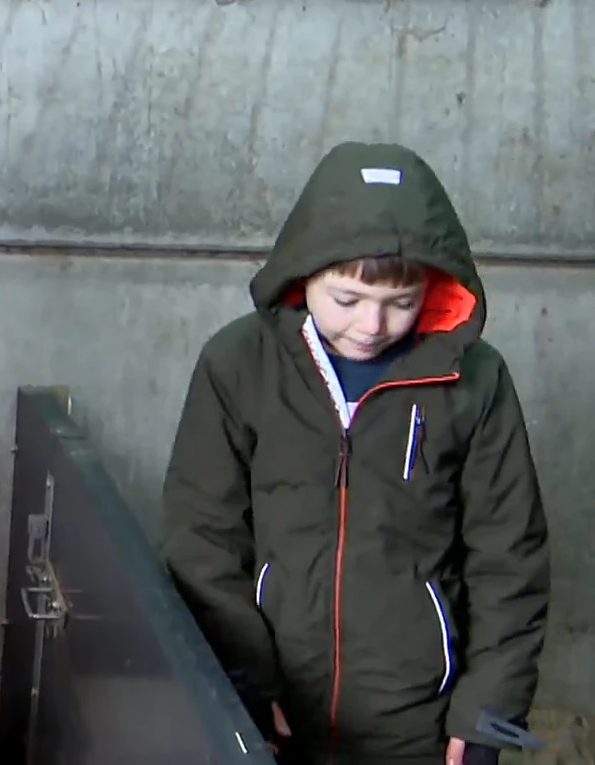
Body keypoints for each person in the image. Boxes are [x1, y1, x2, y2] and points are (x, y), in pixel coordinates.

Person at [161, 142, 549, 765]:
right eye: (347, 299)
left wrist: (488, 714)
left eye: (401, 303)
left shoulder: (473, 380)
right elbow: (201, 539)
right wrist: (242, 683)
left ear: (434, 287)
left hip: (418, 722)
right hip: (275, 711)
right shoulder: (238, 365)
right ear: (302, 273)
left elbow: (509, 560)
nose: (372, 325)